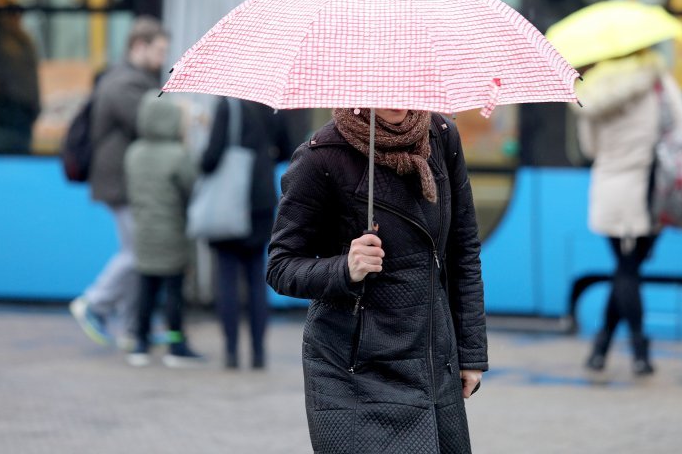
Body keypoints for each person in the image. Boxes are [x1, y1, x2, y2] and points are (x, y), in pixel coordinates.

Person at [267, 108, 487, 453]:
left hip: (431, 359)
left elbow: (463, 251)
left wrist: (471, 354)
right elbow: (280, 266)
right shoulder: (321, 156)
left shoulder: (441, 135)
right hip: (354, 372)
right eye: (386, 92)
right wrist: (345, 268)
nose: (398, 101)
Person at [575, 49, 682, 376]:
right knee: (629, 270)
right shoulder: (656, 80)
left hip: (611, 189)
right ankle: (640, 351)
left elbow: (589, 148)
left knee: (624, 268)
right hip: (650, 188)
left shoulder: (591, 92)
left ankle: (601, 349)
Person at [69, 16, 170, 348]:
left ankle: (131, 327)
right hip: (122, 181)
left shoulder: (129, 79)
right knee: (138, 252)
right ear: (138, 46)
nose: (161, 59)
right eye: (158, 51)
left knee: (137, 252)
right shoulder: (125, 83)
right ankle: (93, 303)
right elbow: (152, 122)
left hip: (125, 180)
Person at [200, 97, 293, 370]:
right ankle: (258, 352)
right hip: (262, 200)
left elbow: (210, 159)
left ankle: (230, 351)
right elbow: (287, 149)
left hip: (230, 202)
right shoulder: (273, 104)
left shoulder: (227, 105)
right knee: (256, 277)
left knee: (227, 277)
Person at [124, 91, 204, 367]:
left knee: (145, 289)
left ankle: (141, 343)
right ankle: (175, 344)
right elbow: (191, 188)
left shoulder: (133, 153)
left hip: (144, 232)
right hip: (173, 232)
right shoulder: (178, 155)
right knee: (173, 292)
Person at [0, 0, 40, 154]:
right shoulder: (2, 41)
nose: (17, 17)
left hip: (22, 118)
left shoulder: (23, 40)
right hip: (4, 119)